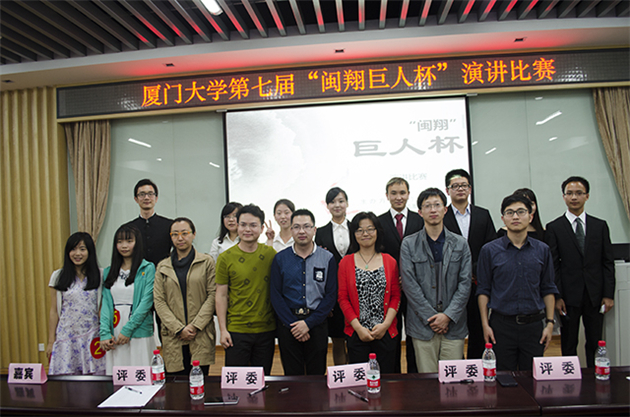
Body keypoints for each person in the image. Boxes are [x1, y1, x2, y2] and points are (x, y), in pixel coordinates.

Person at [477, 194, 558, 371]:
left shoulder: (542, 250)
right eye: (510, 212)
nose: (515, 217)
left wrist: (550, 323)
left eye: (521, 212)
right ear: (502, 218)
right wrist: (485, 324)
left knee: (532, 378)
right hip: (501, 326)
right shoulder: (489, 250)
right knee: (502, 377)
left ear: (530, 216)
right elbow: (483, 290)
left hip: (534, 326)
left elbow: (548, 288)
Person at [545, 176, 615, 368]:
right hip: (568, 297)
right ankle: (571, 378)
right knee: (569, 342)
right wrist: (557, 296)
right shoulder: (554, 227)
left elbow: (607, 262)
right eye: (569, 193)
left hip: (595, 295)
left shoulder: (600, 226)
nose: (574, 197)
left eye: (578, 193)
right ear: (564, 197)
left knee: (595, 341)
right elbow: (553, 265)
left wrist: (608, 295)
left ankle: (595, 377)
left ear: (587, 196)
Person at [400, 188, 472, 373]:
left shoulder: (460, 243)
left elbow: (465, 284)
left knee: (453, 378)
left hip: (453, 324)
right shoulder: (409, 244)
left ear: (445, 209)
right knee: (427, 379)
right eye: (427, 206)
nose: (433, 210)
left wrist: (447, 316)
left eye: (437, 205)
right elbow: (409, 284)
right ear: (420, 212)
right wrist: (431, 317)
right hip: (422, 325)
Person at [270, 209, 337, 375]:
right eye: (297, 227)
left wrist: (308, 324)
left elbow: (330, 295)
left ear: (314, 230)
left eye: (306, 226)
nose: (301, 231)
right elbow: (276, 295)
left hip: (317, 323)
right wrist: (293, 324)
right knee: (292, 375)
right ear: (291, 230)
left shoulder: (327, 258)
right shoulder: (280, 258)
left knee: (317, 375)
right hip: (288, 325)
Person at [215, 204, 277, 375]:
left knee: (262, 379)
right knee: (236, 382)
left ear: (262, 228)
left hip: (266, 330)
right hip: (236, 330)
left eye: (253, 225)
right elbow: (221, 295)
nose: (247, 229)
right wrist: (223, 330)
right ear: (237, 226)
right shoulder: (225, 258)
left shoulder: (271, 255)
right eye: (243, 224)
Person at [442, 169, 496, 359]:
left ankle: (475, 365)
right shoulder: (442, 216)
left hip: (477, 281)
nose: (460, 189)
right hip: (451, 284)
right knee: (452, 330)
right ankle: (458, 366)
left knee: (478, 328)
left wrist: (475, 270)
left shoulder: (483, 214)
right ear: (448, 190)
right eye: (455, 186)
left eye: (464, 185)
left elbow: (491, 246)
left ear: (470, 189)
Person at [338, 212, 401, 374]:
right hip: (357, 333)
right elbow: (343, 298)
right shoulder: (345, 262)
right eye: (359, 230)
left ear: (377, 232)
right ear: (354, 234)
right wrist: (358, 328)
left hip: (385, 332)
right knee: (359, 379)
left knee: (386, 379)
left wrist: (385, 325)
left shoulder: (390, 261)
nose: (365, 233)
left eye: (370, 229)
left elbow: (395, 296)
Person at [154, 217, 216, 376]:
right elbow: (159, 301)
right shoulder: (163, 266)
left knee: (200, 381)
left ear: (193, 234)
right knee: (176, 384)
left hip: (200, 333)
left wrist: (195, 326)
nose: (180, 238)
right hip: (174, 335)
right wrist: (179, 328)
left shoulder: (206, 262)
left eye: (184, 233)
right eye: (175, 234)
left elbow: (212, 295)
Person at [377, 177, 423, 373]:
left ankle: (414, 374)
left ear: (408, 194)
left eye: (402, 193)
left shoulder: (420, 220)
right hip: (389, 289)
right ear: (387, 195)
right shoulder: (378, 222)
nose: (398, 197)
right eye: (393, 193)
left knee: (414, 333)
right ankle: (393, 374)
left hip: (416, 288)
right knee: (392, 333)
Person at [100, 224, 156, 375]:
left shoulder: (147, 268)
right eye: (119, 242)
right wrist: (104, 332)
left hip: (138, 327)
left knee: (140, 372)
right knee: (119, 373)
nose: (124, 246)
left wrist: (128, 329)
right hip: (115, 328)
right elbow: (106, 304)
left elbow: (147, 302)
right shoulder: (108, 272)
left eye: (129, 241)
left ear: (137, 243)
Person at [46, 232, 105, 375]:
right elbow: (54, 311)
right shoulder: (58, 276)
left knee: (95, 380)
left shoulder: (101, 275)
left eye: (82, 249)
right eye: (73, 249)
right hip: (66, 336)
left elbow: (102, 308)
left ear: (90, 252)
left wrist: (105, 334)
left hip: (92, 335)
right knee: (68, 381)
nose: (77, 253)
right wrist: (51, 340)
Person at [314, 187, 356, 365]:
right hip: (333, 293)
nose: (337, 205)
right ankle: (342, 374)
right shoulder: (320, 232)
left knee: (355, 339)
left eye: (341, 201)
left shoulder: (357, 228)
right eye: (332, 202)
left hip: (356, 291)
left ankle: (355, 373)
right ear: (327, 206)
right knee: (337, 339)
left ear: (347, 203)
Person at [125, 179, 173, 266]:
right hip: (137, 272)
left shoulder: (169, 225)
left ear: (156, 198)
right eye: (142, 194)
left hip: (163, 271)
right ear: (136, 199)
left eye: (150, 194)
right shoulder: (128, 228)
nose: (146, 198)